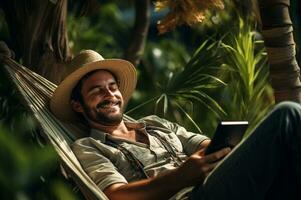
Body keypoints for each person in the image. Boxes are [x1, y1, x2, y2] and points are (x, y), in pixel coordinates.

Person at [50, 50, 301, 200]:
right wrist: (181, 176)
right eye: (96, 91)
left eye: (112, 87)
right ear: (78, 106)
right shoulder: (88, 146)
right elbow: (117, 195)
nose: (109, 95)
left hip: (214, 187)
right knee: (287, 115)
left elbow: (204, 144)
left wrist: (221, 150)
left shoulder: (154, 124)